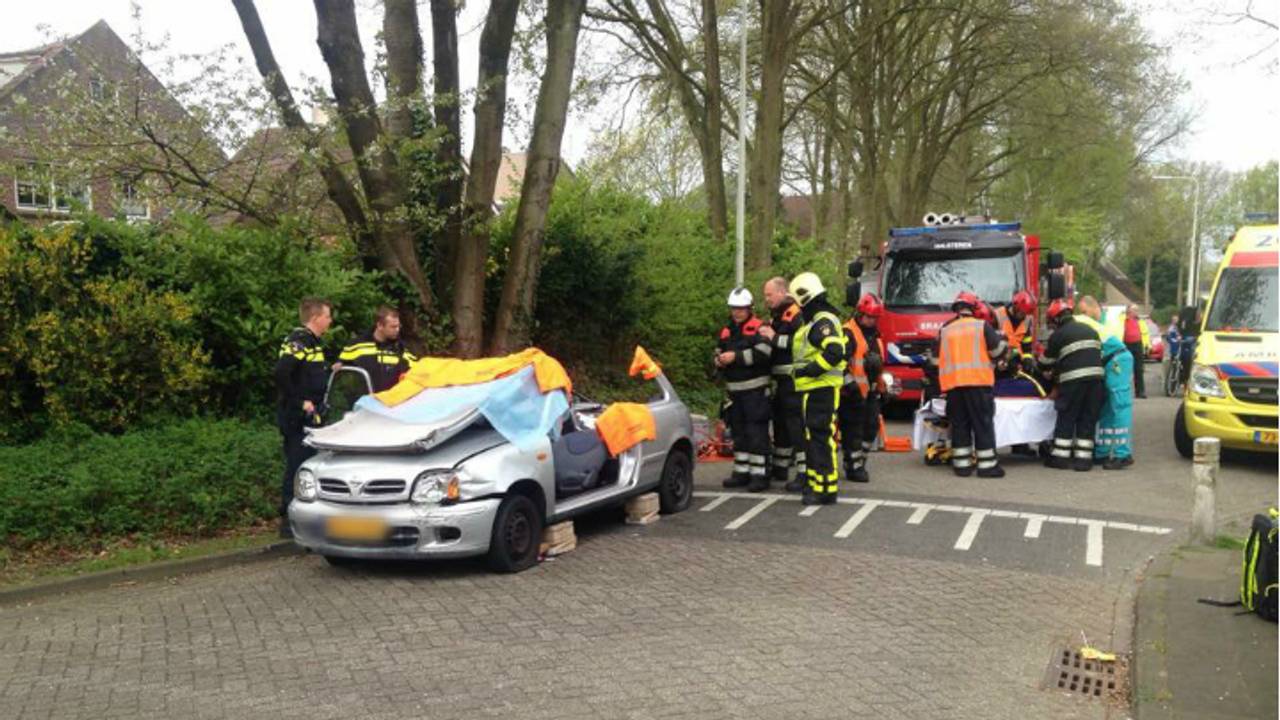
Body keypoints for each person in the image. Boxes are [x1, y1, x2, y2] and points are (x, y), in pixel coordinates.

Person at [274, 297, 337, 538]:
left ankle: (308, 518)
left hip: (312, 417)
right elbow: (281, 373)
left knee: (309, 465)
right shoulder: (299, 341)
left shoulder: (314, 344)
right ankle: (288, 522)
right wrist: (300, 402)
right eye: (327, 316)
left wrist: (332, 370)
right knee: (297, 465)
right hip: (297, 417)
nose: (330, 321)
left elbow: (308, 375)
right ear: (316, 318)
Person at [931, 291, 1007, 478]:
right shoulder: (982, 326)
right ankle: (987, 467)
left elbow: (933, 361)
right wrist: (1004, 343)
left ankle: (962, 466)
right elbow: (997, 352)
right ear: (974, 308)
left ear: (956, 309)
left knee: (960, 426)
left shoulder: (945, 330)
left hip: (954, 387)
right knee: (982, 425)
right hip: (978, 383)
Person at [788, 272, 848, 505]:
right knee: (814, 438)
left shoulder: (822, 321)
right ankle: (816, 484)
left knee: (821, 438)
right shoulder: (816, 320)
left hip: (821, 388)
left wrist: (810, 370)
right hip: (814, 389)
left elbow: (835, 352)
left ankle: (825, 489)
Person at [715, 287, 774, 492]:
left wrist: (736, 357)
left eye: (741, 308)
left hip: (756, 392)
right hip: (734, 393)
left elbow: (765, 352)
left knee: (756, 433)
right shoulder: (726, 331)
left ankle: (760, 475)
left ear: (750, 308)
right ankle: (741, 472)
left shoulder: (760, 327)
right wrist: (719, 360)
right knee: (738, 432)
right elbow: (718, 351)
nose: (737, 312)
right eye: (734, 308)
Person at [1039, 299, 1105, 471]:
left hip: (1073, 383)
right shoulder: (1090, 330)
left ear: (1056, 319)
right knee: (1087, 418)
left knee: (1067, 417)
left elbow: (1046, 363)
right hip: (1097, 382)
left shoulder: (1058, 335)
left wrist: (1042, 367)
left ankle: (1060, 458)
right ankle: (1084, 460)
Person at [758, 277, 807, 492]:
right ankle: (780, 468)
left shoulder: (796, 314)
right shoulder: (778, 314)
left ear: (781, 292)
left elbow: (800, 344)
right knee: (781, 425)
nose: (766, 299)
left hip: (793, 381)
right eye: (765, 295)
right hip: (780, 381)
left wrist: (773, 337)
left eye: (769, 295)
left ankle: (804, 472)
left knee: (796, 426)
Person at [838, 293, 885, 483]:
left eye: (875, 317)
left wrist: (882, 388)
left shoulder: (876, 335)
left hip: (870, 392)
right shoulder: (848, 332)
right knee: (853, 431)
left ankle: (860, 461)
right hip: (851, 394)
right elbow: (839, 364)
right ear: (860, 313)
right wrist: (850, 385)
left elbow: (878, 365)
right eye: (869, 317)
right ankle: (853, 466)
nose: (872, 321)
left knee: (871, 427)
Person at [339, 305, 418, 393]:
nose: (397, 330)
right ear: (380, 325)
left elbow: (417, 372)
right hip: (365, 400)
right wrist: (339, 363)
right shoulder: (357, 345)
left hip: (391, 400)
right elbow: (341, 367)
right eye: (393, 327)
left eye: (398, 326)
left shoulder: (401, 350)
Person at [1095, 332, 1135, 469]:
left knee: (1120, 405)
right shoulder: (1081, 325)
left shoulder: (1078, 326)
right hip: (1113, 358)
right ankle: (1102, 452)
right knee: (1106, 408)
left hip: (1116, 360)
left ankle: (1123, 455)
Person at [994, 291, 1036, 372]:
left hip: (1017, 364)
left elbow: (1027, 346)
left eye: (1026, 313)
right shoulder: (998, 315)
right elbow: (992, 345)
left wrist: (1027, 360)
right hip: (1000, 365)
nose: (1024, 316)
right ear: (1015, 307)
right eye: (1022, 313)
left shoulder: (1027, 319)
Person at [1120, 304, 1150, 398]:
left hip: (1138, 345)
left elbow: (1145, 334)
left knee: (1139, 369)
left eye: (1137, 310)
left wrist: (1147, 346)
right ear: (1129, 311)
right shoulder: (1122, 319)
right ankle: (1123, 391)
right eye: (1134, 310)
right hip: (1125, 345)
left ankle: (1140, 392)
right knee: (1124, 369)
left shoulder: (1141, 321)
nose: (1137, 312)